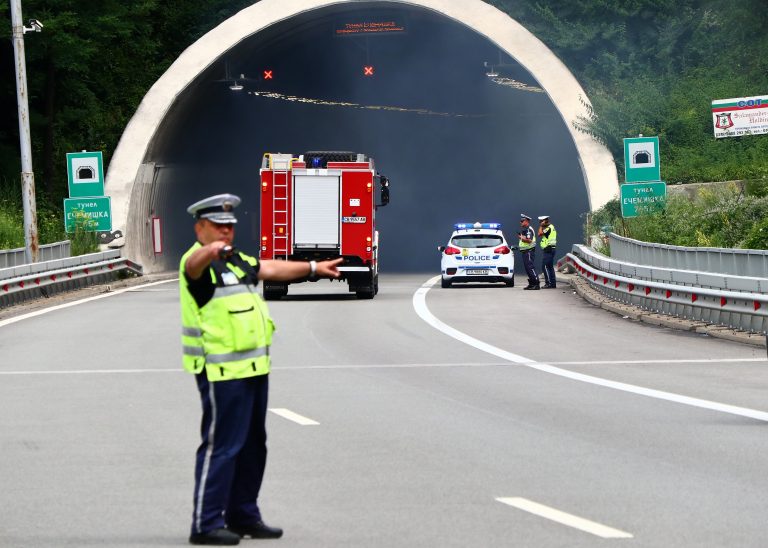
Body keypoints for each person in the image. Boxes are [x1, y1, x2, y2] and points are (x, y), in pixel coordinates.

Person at [180, 193, 342, 546]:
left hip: (253, 369)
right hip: (220, 373)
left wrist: (313, 269)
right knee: (220, 446)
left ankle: (243, 516)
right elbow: (193, 265)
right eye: (218, 226)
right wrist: (211, 251)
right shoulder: (198, 263)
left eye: (230, 226)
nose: (226, 231)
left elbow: (269, 268)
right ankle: (205, 523)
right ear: (200, 228)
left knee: (254, 445)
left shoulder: (237, 261)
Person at [517, 214, 539, 290]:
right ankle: (532, 284)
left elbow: (529, 240)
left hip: (529, 251)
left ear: (526, 221)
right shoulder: (526, 230)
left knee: (530, 267)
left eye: (522, 221)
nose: (520, 222)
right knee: (528, 268)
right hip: (525, 252)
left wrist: (521, 238)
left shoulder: (528, 230)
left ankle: (536, 284)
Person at [538, 215, 557, 289]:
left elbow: (539, 234)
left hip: (548, 249)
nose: (540, 223)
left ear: (545, 221)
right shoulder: (551, 227)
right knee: (550, 267)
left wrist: (541, 226)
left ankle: (548, 283)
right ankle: (553, 284)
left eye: (541, 221)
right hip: (551, 249)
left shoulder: (548, 228)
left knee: (545, 266)